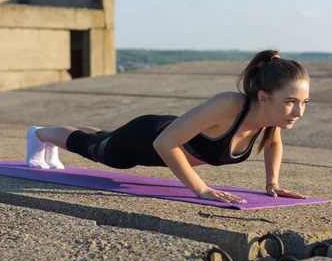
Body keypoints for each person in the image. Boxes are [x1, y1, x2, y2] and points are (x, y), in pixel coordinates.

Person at [26, 50, 310, 204]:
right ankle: (38, 134)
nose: (298, 111)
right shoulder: (229, 105)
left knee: (100, 138)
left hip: (164, 133)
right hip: (147, 136)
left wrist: (272, 183)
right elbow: (164, 143)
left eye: (304, 102)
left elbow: (272, 142)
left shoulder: (269, 120)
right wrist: (201, 190)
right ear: (264, 97)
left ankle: (79, 133)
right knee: (95, 149)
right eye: (290, 102)